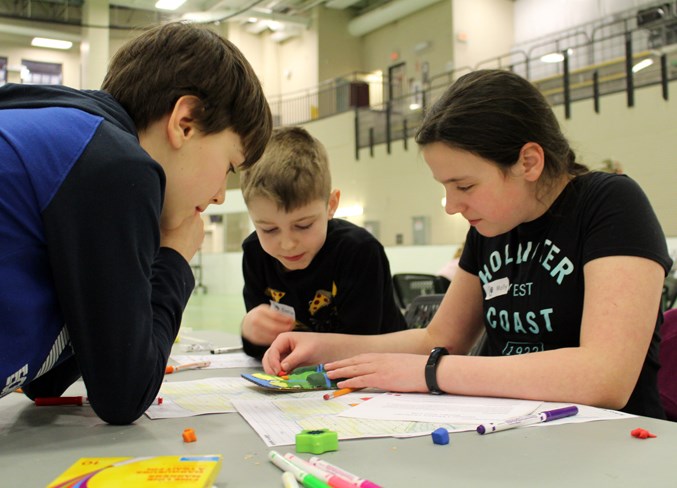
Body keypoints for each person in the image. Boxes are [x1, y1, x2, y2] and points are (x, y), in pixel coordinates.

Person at [262, 69, 673, 419]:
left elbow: (605, 376)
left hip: (612, 440)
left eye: (465, 185)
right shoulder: (491, 226)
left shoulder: (611, 204)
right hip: (511, 427)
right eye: (446, 187)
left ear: (528, 162)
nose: (452, 206)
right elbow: (437, 339)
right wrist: (323, 347)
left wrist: (431, 372)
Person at [0, 22, 272, 424]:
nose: (219, 195)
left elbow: (43, 383)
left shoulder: (63, 137)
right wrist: (174, 258)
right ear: (186, 122)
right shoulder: (115, 164)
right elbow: (123, 393)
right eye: (229, 168)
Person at [240, 126, 407, 359]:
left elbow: (360, 345)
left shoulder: (358, 251)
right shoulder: (255, 253)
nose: (287, 244)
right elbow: (264, 350)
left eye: (303, 225)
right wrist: (250, 331)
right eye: (268, 229)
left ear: (331, 205)